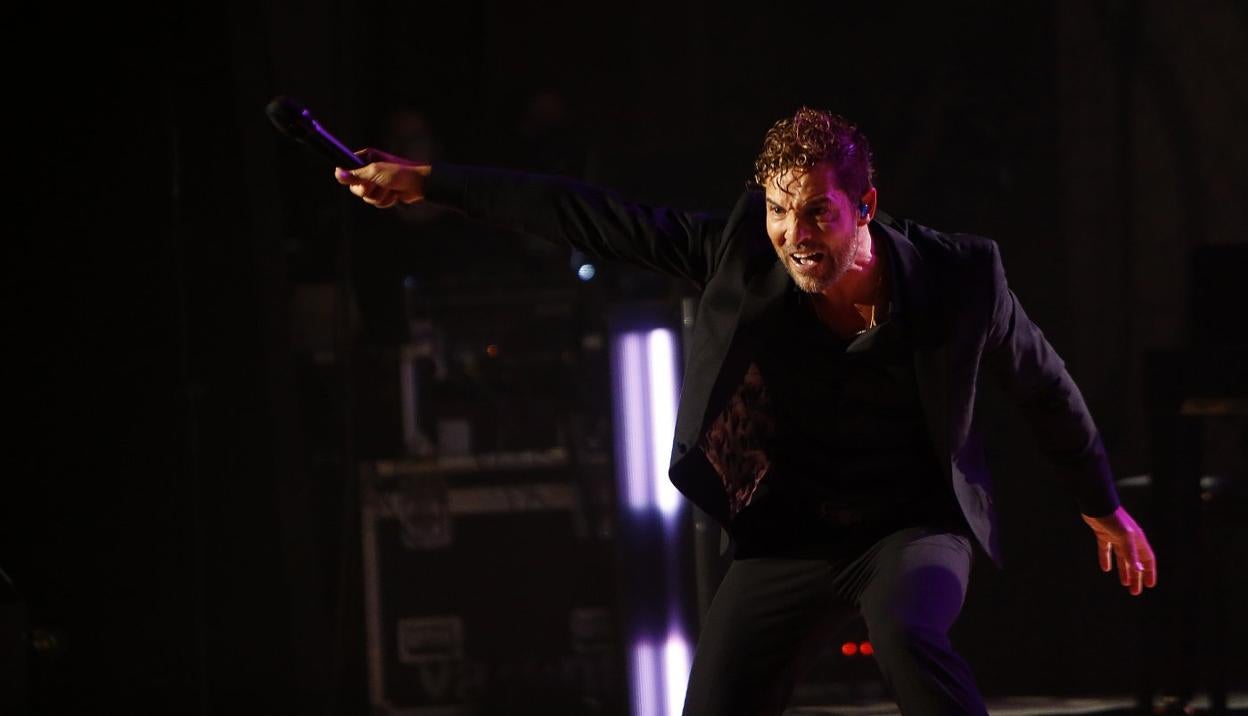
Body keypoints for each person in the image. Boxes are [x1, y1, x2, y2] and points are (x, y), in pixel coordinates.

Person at [334, 107, 1157, 715]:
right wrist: (432, 184)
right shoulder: (741, 255)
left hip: (912, 529)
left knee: (908, 635)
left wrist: (1102, 503)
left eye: (816, 214)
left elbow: (1044, 385)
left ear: (864, 206)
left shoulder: (961, 278)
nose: (793, 235)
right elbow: (591, 215)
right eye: (776, 210)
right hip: (789, 538)